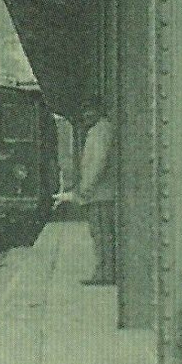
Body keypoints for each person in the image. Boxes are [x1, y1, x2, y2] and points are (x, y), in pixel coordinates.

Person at [75, 101, 117, 285]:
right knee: (102, 234)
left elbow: (99, 161)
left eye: (88, 111)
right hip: (103, 191)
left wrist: (86, 187)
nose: (85, 116)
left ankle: (105, 273)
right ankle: (105, 270)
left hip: (101, 193)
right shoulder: (103, 129)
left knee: (101, 234)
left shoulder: (100, 131)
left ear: (97, 111)